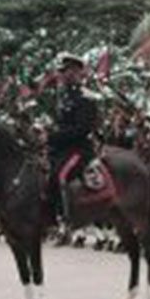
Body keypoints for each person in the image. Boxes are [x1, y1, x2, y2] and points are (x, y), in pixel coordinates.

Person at [47, 52, 99, 233]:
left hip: (80, 149)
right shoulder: (64, 97)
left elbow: (82, 129)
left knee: (61, 175)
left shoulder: (86, 97)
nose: (61, 75)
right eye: (61, 71)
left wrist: (53, 136)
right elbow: (61, 124)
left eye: (66, 71)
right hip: (61, 149)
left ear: (77, 72)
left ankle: (68, 218)